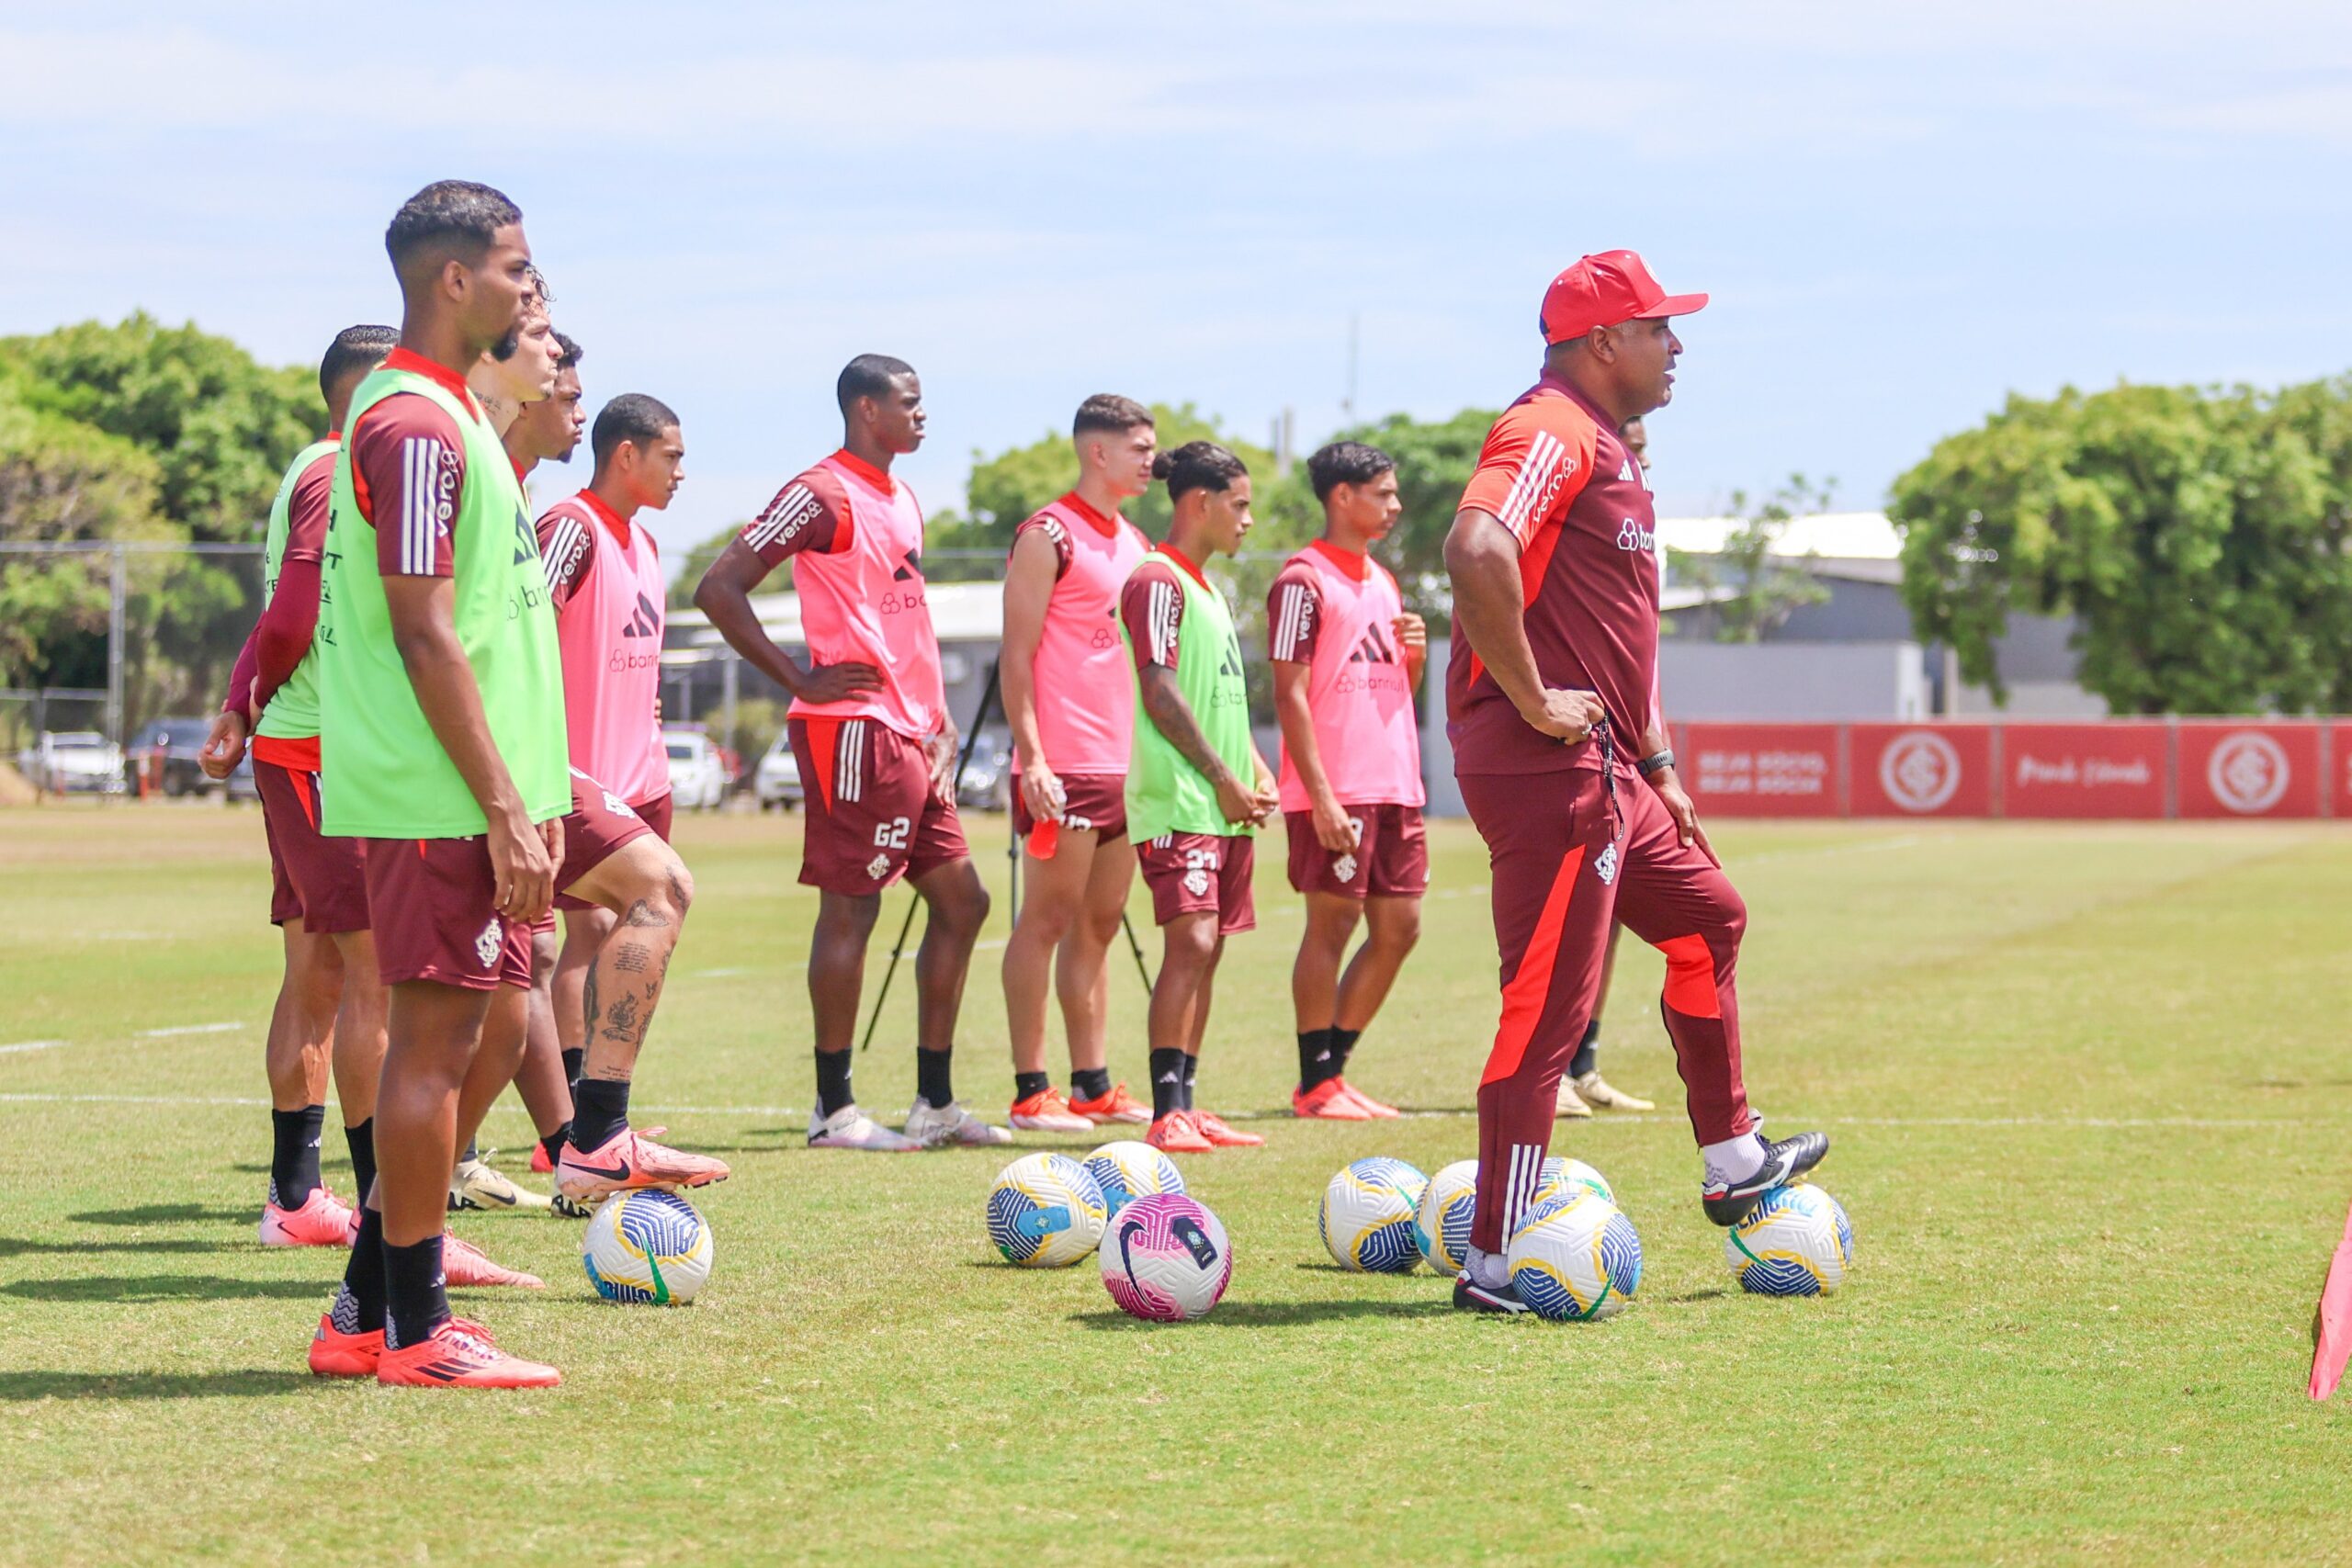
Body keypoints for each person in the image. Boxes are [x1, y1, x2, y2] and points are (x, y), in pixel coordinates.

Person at [303, 181, 720, 1388]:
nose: (528, 288)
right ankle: (421, 1331)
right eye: (514, 268)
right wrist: (498, 802)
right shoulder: (417, 429)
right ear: (454, 281)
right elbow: (426, 631)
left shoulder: (449, 420)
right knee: (432, 1049)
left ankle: (359, 1315)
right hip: (441, 794)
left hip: (486, 787)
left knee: (479, 1024)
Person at [1441, 250, 1826, 1314]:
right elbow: (1474, 547)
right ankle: (1491, 1260)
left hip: (1610, 769)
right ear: (1603, 340)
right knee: (1546, 1012)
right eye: (1661, 326)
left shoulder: (1605, 447)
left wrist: (1657, 766)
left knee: (1709, 920)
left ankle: (1734, 1156)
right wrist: (1529, 698)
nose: (1678, 345)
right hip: (1548, 763)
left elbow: (1614, 638)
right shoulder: (1551, 428)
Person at [695, 355, 1003, 1152]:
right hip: (855, 728)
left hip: (911, 731)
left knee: (964, 903)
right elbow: (719, 587)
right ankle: (833, 1110)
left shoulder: (900, 494)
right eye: (911, 402)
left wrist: (934, 719)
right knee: (853, 906)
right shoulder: (820, 491)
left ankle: (933, 1102)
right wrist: (800, 675)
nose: (923, 414)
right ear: (869, 409)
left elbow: (903, 619)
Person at [202, 324, 401, 1248]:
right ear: (362, 392)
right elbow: (290, 613)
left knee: (316, 973)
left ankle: (293, 1196)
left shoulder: (319, 471)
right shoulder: (332, 474)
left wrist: (243, 703)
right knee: (376, 977)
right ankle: (383, 1213)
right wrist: (252, 696)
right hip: (324, 753)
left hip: (302, 747)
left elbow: (280, 613)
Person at [998, 394, 1158, 1134]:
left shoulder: (1135, 541)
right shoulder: (1047, 533)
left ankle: (1091, 1083)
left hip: (1126, 768)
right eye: (1139, 448)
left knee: (1099, 923)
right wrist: (1033, 756)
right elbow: (1017, 657)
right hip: (1064, 763)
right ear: (1098, 452)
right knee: (1047, 919)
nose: (1150, 460)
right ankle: (1033, 1090)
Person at [536, 393, 684, 1177]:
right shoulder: (570, 527)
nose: (682, 472)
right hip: (577, 774)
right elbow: (523, 632)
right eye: (672, 456)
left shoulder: (649, 545)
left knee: (612, 934)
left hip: (640, 772)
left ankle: (592, 1117)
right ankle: (573, 1124)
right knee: (578, 943)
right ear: (626, 454)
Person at [1118, 441, 1278, 1155]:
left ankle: (1191, 1101)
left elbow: (1220, 702)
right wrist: (1222, 778)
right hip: (1179, 798)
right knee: (1193, 940)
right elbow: (1160, 691)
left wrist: (1256, 769)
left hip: (1222, 802)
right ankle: (1165, 1110)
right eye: (1239, 505)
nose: (1248, 519)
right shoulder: (1157, 581)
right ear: (1200, 503)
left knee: (1209, 951)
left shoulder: (1208, 588)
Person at [1268, 440, 1428, 1122]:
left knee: (1401, 927)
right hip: (1337, 786)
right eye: (1383, 493)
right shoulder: (1301, 580)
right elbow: (1290, 693)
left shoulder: (1382, 580)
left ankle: (1333, 1070)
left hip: (1395, 783)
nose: (1394, 505)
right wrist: (1322, 795)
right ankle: (1316, 1082)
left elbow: (1394, 688)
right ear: (1342, 496)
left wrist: (1414, 657)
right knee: (1331, 925)